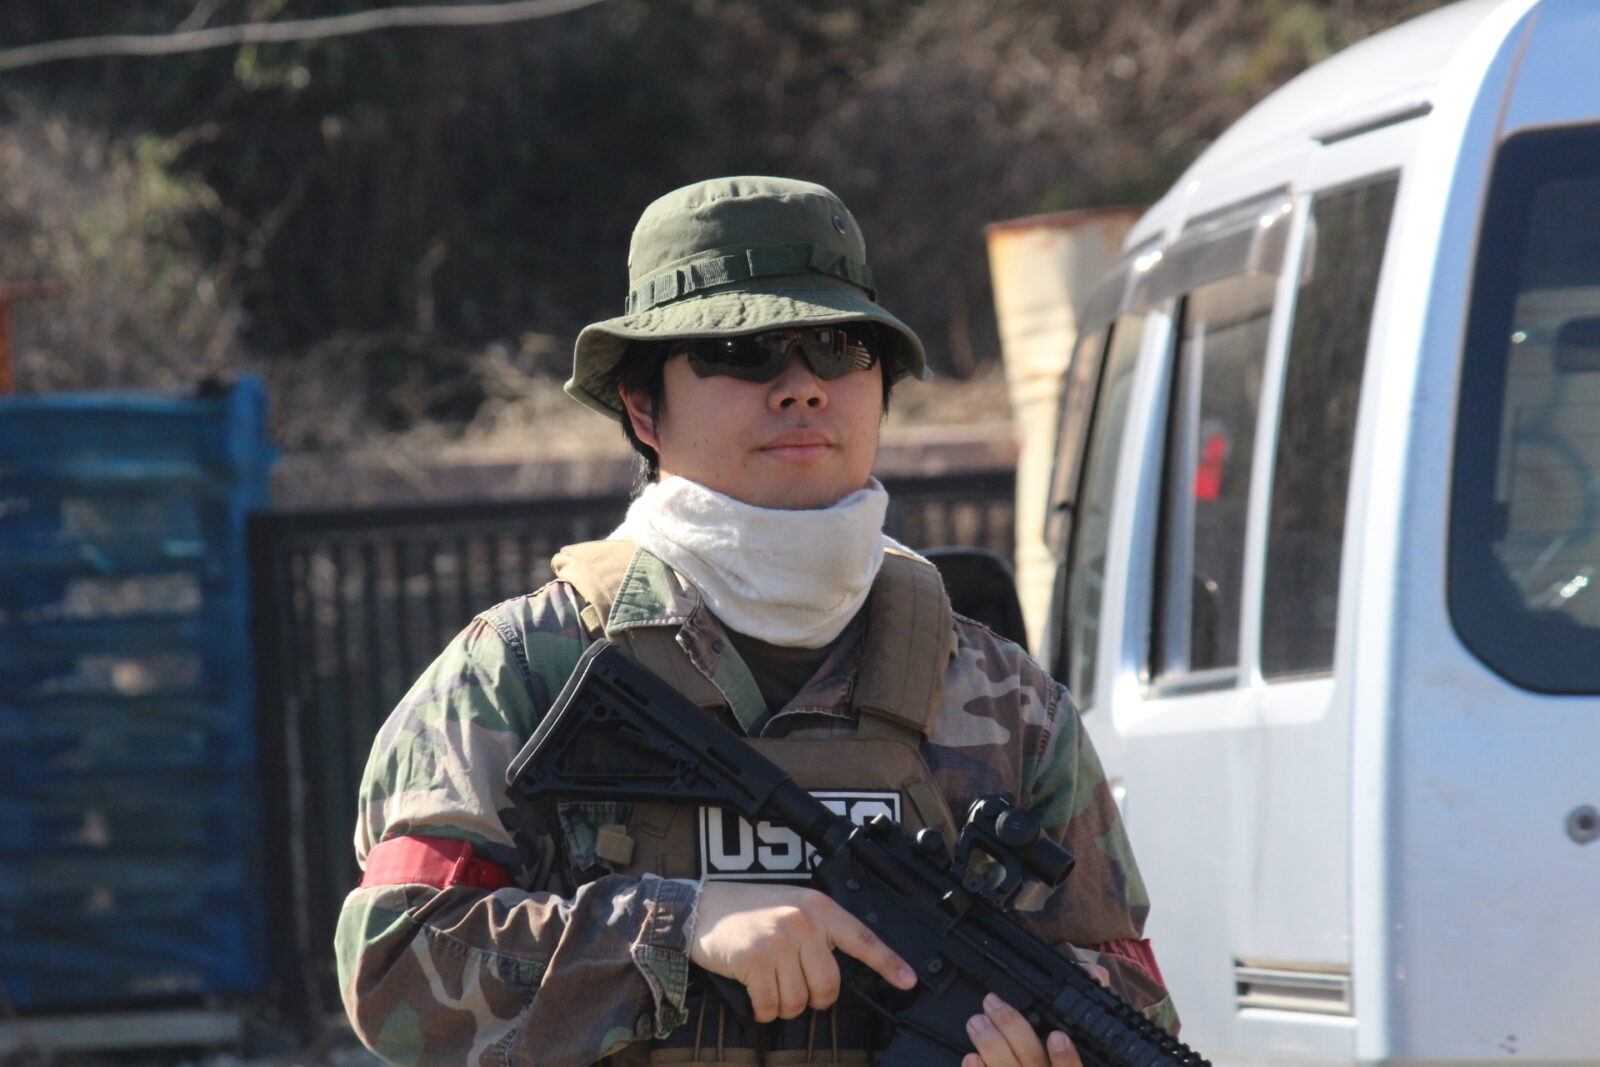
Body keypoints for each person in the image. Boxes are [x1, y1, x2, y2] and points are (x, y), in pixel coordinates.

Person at [335, 176, 1177, 1067]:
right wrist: (678, 927)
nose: (803, 388)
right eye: (742, 349)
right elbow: (393, 962)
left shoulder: (1011, 704)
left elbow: (1132, 998)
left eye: (842, 348)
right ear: (643, 406)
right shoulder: (524, 668)